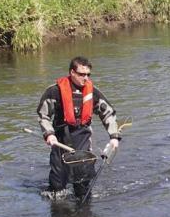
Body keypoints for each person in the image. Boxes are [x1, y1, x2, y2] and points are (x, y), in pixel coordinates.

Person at [37, 56, 121, 199]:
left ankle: (83, 213)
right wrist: (49, 134)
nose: (86, 78)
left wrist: (114, 137)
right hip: (60, 141)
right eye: (82, 74)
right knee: (57, 188)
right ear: (72, 73)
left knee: (83, 187)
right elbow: (43, 115)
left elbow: (108, 114)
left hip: (82, 140)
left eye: (88, 74)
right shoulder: (54, 91)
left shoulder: (93, 92)